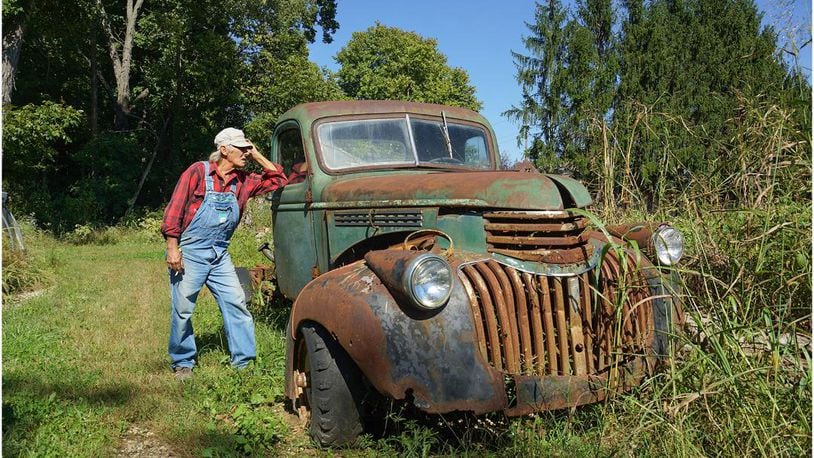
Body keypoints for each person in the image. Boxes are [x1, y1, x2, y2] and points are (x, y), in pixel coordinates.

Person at [161, 127, 288, 379]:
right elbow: (175, 209)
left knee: (236, 303)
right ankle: (183, 361)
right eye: (241, 148)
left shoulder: (243, 180)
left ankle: (244, 362)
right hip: (191, 252)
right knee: (183, 308)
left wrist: (257, 154)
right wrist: (172, 248)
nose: (245, 153)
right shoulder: (198, 172)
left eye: (246, 149)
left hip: (219, 254)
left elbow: (278, 180)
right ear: (224, 150)